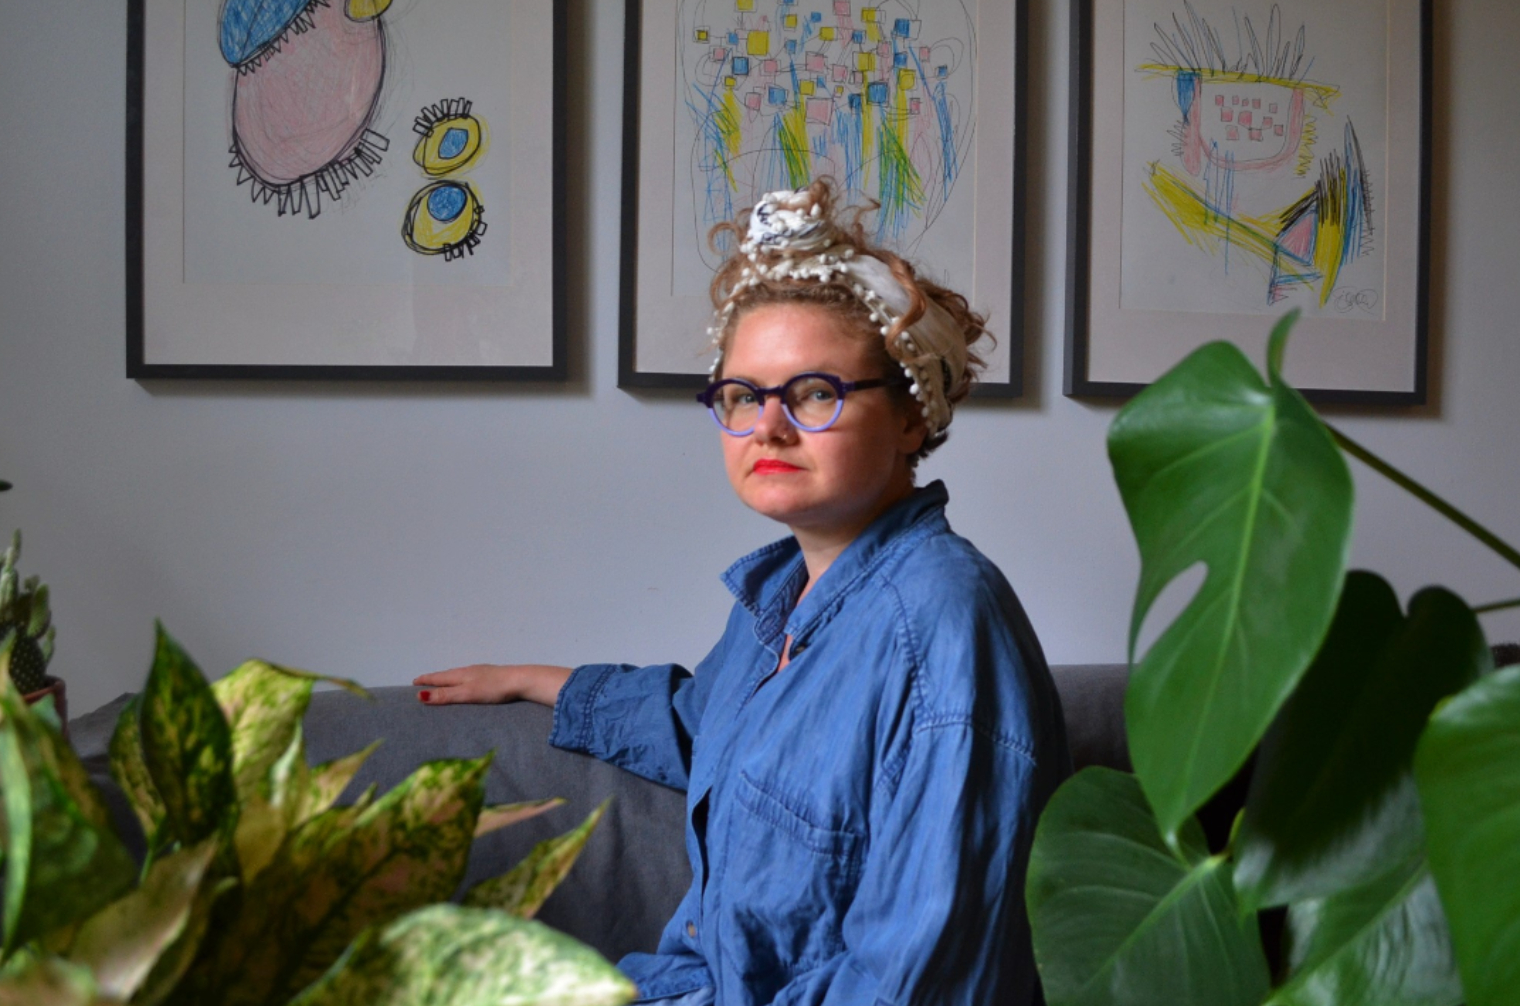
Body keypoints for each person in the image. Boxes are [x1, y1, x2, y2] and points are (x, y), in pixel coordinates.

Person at [413, 181, 1071, 1006]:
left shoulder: (944, 621)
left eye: (816, 392)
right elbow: (706, 724)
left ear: (911, 417)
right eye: (743, 396)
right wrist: (537, 681)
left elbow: (919, 978)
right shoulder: (781, 598)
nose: (768, 427)